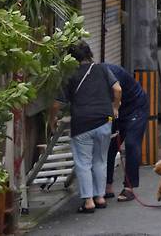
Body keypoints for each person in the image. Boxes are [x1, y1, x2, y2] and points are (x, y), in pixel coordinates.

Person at [50, 41, 121, 213]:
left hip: (82, 123)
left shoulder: (69, 75)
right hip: (104, 120)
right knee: (100, 160)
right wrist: (115, 108)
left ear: (71, 58)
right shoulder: (103, 69)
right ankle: (100, 197)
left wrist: (52, 120)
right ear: (90, 54)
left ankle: (88, 201)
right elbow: (118, 89)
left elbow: (57, 104)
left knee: (83, 163)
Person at [103, 63, 149, 202]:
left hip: (136, 107)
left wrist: (115, 108)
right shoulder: (91, 75)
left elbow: (117, 90)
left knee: (131, 144)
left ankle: (129, 188)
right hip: (116, 110)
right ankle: (107, 186)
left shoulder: (110, 72)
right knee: (109, 146)